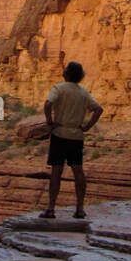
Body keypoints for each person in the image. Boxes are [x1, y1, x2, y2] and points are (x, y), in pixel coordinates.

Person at [40, 62, 102, 220]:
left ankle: (51, 209)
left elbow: (48, 104)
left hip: (59, 134)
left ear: (66, 73)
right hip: (76, 136)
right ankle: (80, 209)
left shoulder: (59, 88)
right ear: (80, 76)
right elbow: (98, 109)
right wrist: (87, 126)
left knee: (56, 172)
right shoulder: (83, 93)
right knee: (78, 171)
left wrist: (49, 121)